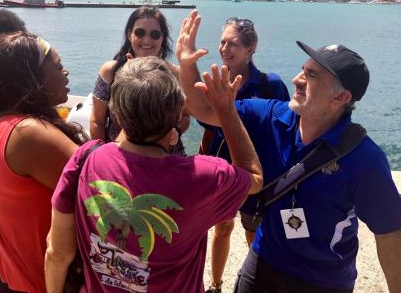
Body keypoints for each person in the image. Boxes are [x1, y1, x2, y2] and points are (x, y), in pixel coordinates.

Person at [177, 10, 401, 293]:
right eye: (303, 69)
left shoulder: (364, 159)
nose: (297, 79)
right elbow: (203, 110)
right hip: (263, 262)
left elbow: (388, 234)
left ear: (341, 97)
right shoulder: (270, 117)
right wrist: (186, 64)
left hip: (324, 280)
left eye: (311, 75)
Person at [46, 56, 263, 292]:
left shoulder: (86, 158)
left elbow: (58, 253)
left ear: (116, 113)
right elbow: (254, 177)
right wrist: (226, 110)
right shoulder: (204, 176)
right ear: (180, 112)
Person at [0, 32, 88, 292]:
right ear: (32, 78)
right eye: (57, 66)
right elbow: (99, 188)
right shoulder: (28, 133)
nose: (66, 71)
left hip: (3, 264)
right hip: (37, 276)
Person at [203, 17, 290, 293]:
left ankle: (260, 283)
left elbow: (286, 127)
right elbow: (207, 125)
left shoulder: (270, 85)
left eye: (233, 44)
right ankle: (216, 285)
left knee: (254, 232)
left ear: (251, 49)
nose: (224, 49)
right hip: (223, 166)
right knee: (222, 228)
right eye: (222, 42)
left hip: (257, 171)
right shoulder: (217, 80)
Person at [89, 5, 190, 151]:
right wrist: (104, 157)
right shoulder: (111, 71)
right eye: (140, 33)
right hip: (121, 159)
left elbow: (185, 116)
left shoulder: (175, 74)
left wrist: (178, 130)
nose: (147, 40)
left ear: (162, 37)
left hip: (166, 159)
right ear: (130, 34)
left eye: (154, 34)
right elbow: (97, 121)